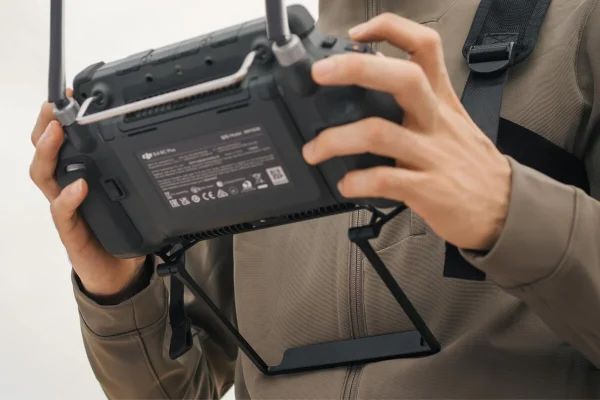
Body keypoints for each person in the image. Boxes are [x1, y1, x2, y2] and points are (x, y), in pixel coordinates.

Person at [29, 0, 600, 398]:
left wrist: (508, 208)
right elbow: (183, 389)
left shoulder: (580, 29)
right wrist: (119, 291)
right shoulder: (246, 81)